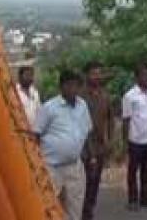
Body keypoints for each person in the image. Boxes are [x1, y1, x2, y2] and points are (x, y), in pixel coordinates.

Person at [35, 70, 92, 220]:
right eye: (69, 85)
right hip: (51, 168)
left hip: (74, 167)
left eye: (76, 85)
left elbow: (86, 131)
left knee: (74, 209)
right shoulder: (49, 108)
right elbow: (36, 135)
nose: (73, 89)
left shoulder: (82, 106)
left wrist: (89, 157)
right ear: (61, 87)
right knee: (48, 208)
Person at [121, 62, 147, 211]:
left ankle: (146, 198)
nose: (145, 78)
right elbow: (126, 119)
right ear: (136, 77)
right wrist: (125, 140)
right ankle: (132, 199)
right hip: (136, 139)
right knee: (133, 170)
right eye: (142, 75)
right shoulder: (129, 96)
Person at [80, 61, 113, 220]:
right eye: (93, 73)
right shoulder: (80, 96)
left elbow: (110, 119)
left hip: (100, 145)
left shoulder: (105, 95)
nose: (97, 76)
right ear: (86, 75)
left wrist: (110, 139)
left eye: (99, 73)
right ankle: (83, 211)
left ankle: (89, 209)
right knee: (85, 181)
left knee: (95, 181)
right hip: (84, 147)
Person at [16, 63, 42, 128]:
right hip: (20, 131)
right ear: (20, 77)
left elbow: (39, 112)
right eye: (27, 75)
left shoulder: (35, 93)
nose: (29, 78)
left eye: (31, 75)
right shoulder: (14, 93)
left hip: (34, 131)